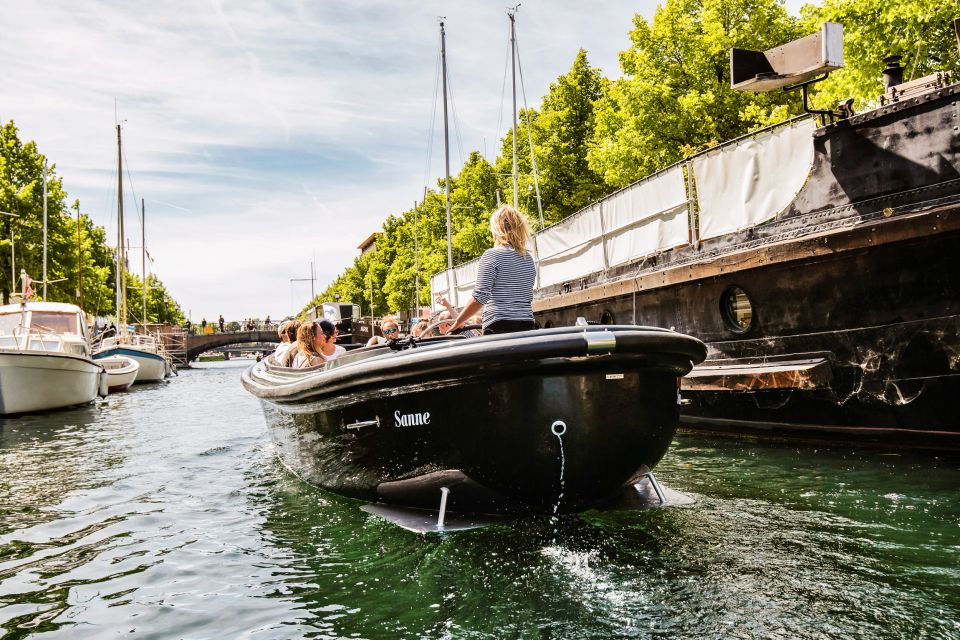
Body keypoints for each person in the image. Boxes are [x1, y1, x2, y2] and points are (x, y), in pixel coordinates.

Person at [444, 205, 536, 335]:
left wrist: (458, 321)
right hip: (527, 325)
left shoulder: (492, 255)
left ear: (497, 229)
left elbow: (479, 298)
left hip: (499, 325)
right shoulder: (528, 259)